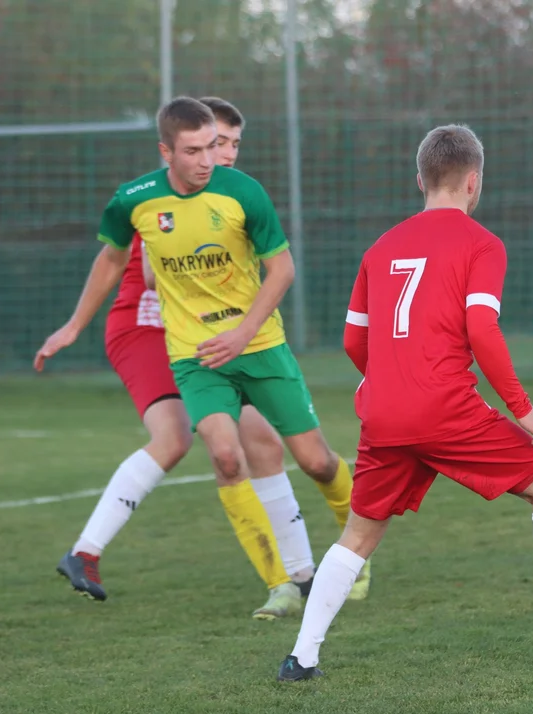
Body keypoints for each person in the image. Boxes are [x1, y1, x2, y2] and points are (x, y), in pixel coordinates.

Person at [276, 124, 533, 681]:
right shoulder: (481, 243)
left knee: (359, 532)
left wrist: (386, 379)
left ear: (419, 180)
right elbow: (482, 328)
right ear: (474, 182)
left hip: (384, 413)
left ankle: (301, 659)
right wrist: (523, 408)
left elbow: (355, 341)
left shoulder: (380, 247)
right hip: (445, 408)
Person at [35, 96, 365, 618]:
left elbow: (281, 270)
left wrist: (241, 331)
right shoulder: (136, 200)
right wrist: (74, 326)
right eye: (201, 148)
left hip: (256, 347)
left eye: (222, 145)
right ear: (167, 151)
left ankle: (347, 557)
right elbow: (118, 261)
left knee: (314, 460)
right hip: (187, 349)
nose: (214, 158)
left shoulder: (243, 193)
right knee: (220, 453)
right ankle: (281, 582)